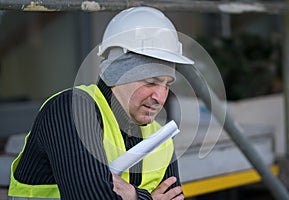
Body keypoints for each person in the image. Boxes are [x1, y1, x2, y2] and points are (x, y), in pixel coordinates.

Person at [8, 6, 193, 200]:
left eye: (166, 84)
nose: (160, 97)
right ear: (117, 74)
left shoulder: (159, 137)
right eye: (151, 82)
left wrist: (131, 195)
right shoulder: (71, 110)